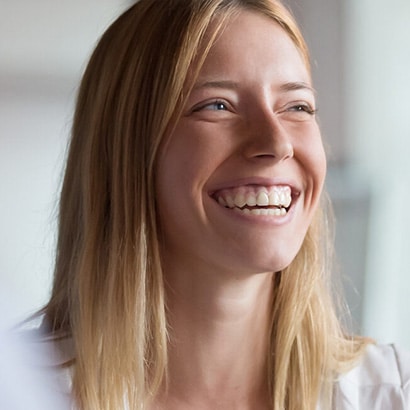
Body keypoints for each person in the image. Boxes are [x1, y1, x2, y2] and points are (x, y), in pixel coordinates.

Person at [33, 0, 409, 409]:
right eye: (217, 105)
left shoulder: (392, 394)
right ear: (124, 150)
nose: (277, 142)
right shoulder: (21, 393)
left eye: (297, 106)